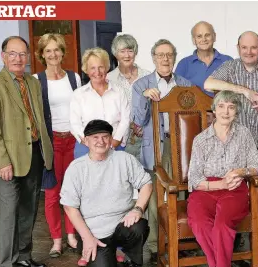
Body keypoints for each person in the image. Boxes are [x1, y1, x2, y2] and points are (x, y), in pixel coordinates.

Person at [204, 31, 258, 255]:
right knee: (233, 190)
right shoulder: (231, 68)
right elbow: (208, 83)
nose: (249, 52)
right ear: (238, 48)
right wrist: (244, 91)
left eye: (254, 47)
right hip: (232, 143)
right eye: (244, 47)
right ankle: (236, 238)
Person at [0, 36, 54, 267]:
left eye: (22, 54)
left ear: (28, 57)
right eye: (12, 53)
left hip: (34, 155)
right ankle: (6, 263)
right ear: (3, 56)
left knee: (29, 210)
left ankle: (23, 257)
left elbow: (38, 120)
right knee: (9, 213)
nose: (18, 59)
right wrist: (2, 162)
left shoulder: (32, 82)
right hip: (8, 161)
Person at [60, 119, 152, 267]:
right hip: (94, 232)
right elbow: (70, 207)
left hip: (122, 225)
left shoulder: (124, 159)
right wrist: (87, 237)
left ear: (110, 139)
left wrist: (138, 209)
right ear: (86, 141)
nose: (100, 141)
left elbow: (146, 183)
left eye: (105, 136)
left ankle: (131, 260)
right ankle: (107, 254)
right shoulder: (76, 168)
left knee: (138, 227)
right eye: (95, 137)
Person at [131, 39, 192, 262]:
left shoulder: (185, 83)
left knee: (180, 192)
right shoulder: (141, 85)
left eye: (169, 55)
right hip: (155, 146)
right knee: (156, 194)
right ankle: (157, 244)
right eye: (160, 55)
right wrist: (146, 98)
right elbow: (138, 119)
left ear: (174, 58)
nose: (165, 59)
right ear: (154, 58)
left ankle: (181, 240)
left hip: (179, 145)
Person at [187, 90, 258, 267]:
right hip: (206, 188)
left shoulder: (244, 135)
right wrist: (220, 183)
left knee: (222, 226)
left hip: (235, 189)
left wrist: (241, 171)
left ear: (237, 111)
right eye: (221, 106)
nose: (225, 112)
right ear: (214, 110)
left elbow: (256, 166)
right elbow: (195, 179)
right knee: (199, 222)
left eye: (231, 107)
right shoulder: (201, 140)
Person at [32, 33, 82, 258]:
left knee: (71, 191)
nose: (53, 54)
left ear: (63, 52)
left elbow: (81, 110)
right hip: (50, 143)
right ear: (42, 54)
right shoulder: (36, 80)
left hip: (73, 140)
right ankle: (56, 240)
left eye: (56, 49)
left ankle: (72, 234)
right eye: (48, 50)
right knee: (52, 193)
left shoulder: (75, 78)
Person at [70, 47, 130, 159]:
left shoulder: (119, 92)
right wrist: (90, 143)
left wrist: (115, 140)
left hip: (114, 145)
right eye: (92, 68)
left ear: (107, 68)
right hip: (86, 147)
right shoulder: (78, 94)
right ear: (86, 70)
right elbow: (74, 124)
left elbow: (125, 119)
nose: (97, 72)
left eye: (101, 67)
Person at [107, 34, 151, 160]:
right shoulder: (109, 79)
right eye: (122, 51)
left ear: (135, 53)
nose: (127, 55)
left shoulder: (147, 76)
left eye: (130, 51)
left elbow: (154, 106)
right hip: (121, 138)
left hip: (146, 136)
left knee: (147, 173)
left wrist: (145, 125)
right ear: (116, 54)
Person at [175, 21, 233, 96]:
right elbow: (176, 94)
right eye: (199, 36)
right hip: (194, 108)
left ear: (214, 37)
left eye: (207, 35)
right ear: (193, 40)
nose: (204, 39)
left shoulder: (228, 61)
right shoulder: (184, 64)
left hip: (222, 107)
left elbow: (236, 91)